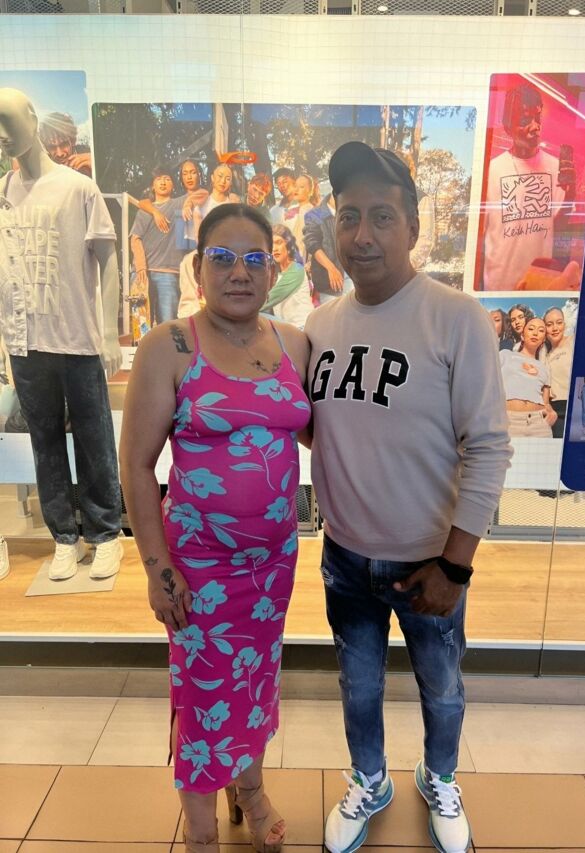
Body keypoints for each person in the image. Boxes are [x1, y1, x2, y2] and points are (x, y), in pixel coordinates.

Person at [305, 142, 511, 853]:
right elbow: (319, 428)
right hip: (344, 558)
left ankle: (440, 776)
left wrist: (455, 565)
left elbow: (489, 446)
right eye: (349, 216)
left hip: (430, 561)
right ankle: (370, 779)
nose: (362, 234)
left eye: (382, 216)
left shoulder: (456, 317)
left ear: (414, 228)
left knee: (442, 687)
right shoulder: (320, 327)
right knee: (357, 686)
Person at [119, 203, 311, 853]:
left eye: (255, 259)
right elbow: (136, 465)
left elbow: (322, 433)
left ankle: (248, 789)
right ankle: (199, 823)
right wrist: (157, 569)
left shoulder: (295, 343)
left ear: (273, 271)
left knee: (254, 680)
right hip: (198, 566)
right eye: (223, 258)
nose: (240, 272)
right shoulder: (170, 346)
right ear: (198, 267)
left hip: (273, 565)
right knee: (202, 690)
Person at [0, 87, 123, 582]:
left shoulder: (77, 188)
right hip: (24, 340)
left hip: (75, 336)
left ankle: (105, 533)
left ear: (32, 119)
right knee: (44, 441)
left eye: (8, 120)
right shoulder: (4, 192)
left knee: (94, 438)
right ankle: (63, 538)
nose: (3, 134)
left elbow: (108, 259)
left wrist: (109, 332)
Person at [480, 83, 577, 291]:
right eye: (525, 121)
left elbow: (558, 230)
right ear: (508, 126)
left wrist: (571, 195)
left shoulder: (556, 168)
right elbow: (480, 236)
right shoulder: (491, 170)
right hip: (498, 289)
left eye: (537, 118)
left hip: (539, 286)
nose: (535, 127)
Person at [130, 166, 189, 325]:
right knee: (141, 325)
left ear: (173, 185)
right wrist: (140, 268)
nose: (163, 182)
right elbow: (135, 239)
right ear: (152, 185)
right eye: (158, 179)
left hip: (168, 273)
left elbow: (201, 194)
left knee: (168, 325)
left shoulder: (179, 203)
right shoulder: (144, 211)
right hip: (142, 274)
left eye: (167, 179)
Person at [499, 317, 556, 438]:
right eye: (531, 329)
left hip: (539, 424)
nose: (535, 333)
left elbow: (546, 403)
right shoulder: (505, 355)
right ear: (522, 336)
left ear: (543, 339)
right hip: (508, 422)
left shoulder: (545, 368)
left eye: (541, 330)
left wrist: (552, 413)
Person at [303, 191, 353, 305]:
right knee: (334, 313)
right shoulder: (315, 214)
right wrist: (331, 268)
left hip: (353, 277)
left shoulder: (352, 211)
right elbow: (312, 243)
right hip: (329, 282)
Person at [263, 224, 313, 328]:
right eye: (271, 245)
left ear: (288, 244)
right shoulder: (275, 272)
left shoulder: (297, 269)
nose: (274, 249)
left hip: (303, 327)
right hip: (286, 328)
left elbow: (270, 299)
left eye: (278, 243)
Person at [543, 306, 575, 438]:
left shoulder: (574, 341)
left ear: (564, 325)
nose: (555, 328)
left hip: (576, 406)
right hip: (556, 412)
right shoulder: (545, 355)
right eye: (549, 324)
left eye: (559, 322)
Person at [38, 111, 92, 176]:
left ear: (73, 140)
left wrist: (96, 164)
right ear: (45, 148)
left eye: (63, 144)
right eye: (52, 147)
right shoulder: (43, 165)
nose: (59, 154)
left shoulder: (90, 153)